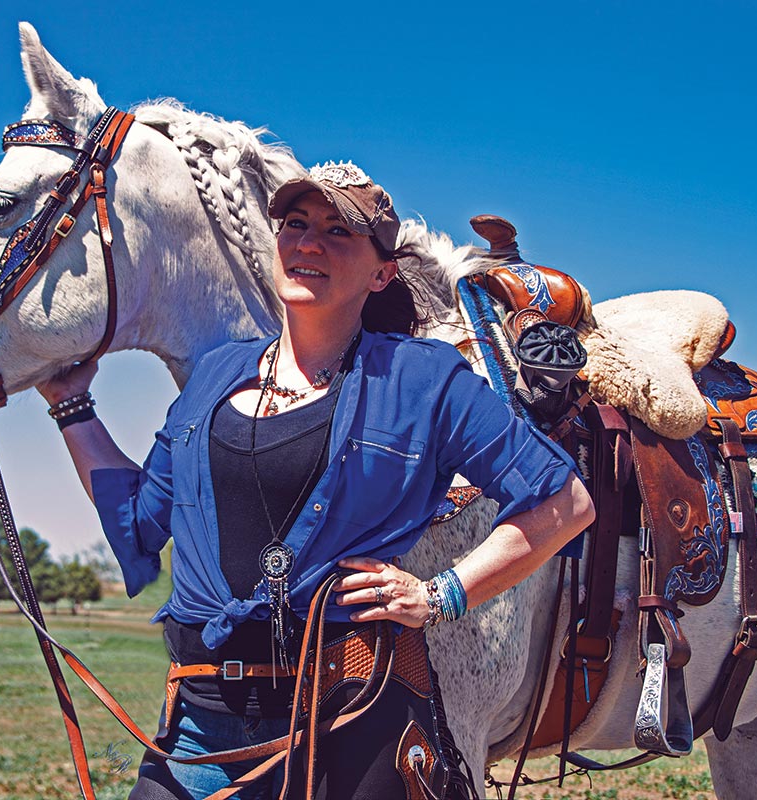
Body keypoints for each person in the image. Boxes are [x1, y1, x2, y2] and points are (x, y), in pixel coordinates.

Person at [37, 161, 595, 799]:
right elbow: (138, 523)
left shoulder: (425, 379)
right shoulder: (215, 377)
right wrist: (71, 408)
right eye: (296, 224)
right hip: (198, 726)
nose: (308, 243)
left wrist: (443, 594)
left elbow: (565, 501)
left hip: (353, 722)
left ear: (382, 271)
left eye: (339, 232)